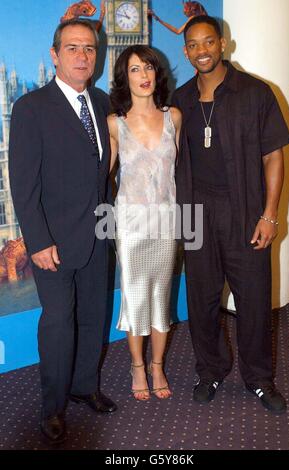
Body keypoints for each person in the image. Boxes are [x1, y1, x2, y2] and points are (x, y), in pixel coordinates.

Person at [172, 15, 289, 414]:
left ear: (223, 44)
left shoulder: (256, 93)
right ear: (186, 50)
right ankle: (210, 369)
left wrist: (270, 215)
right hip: (196, 213)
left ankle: (259, 379)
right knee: (201, 300)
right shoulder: (181, 99)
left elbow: (275, 155)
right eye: (193, 44)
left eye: (208, 42)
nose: (201, 50)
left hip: (245, 212)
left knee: (254, 300)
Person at [9, 19, 116, 445]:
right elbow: (23, 182)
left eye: (89, 48)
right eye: (72, 48)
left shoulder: (106, 103)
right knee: (58, 324)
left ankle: (84, 386)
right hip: (52, 242)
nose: (82, 56)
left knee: (94, 317)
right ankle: (51, 407)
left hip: (98, 235)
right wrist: (37, 242)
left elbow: (105, 175)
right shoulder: (31, 107)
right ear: (55, 55)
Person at [108, 45, 182, 400]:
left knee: (160, 295)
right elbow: (102, 177)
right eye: (135, 69)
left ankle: (157, 365)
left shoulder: (174, 118)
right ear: (125, 77)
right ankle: (137, 366)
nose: (144, 75)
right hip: (132, 224)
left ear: (157, 73)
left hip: (166, 220)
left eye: (149, 67)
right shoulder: (114, 124)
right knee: (135, 295)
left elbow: (180, 173)